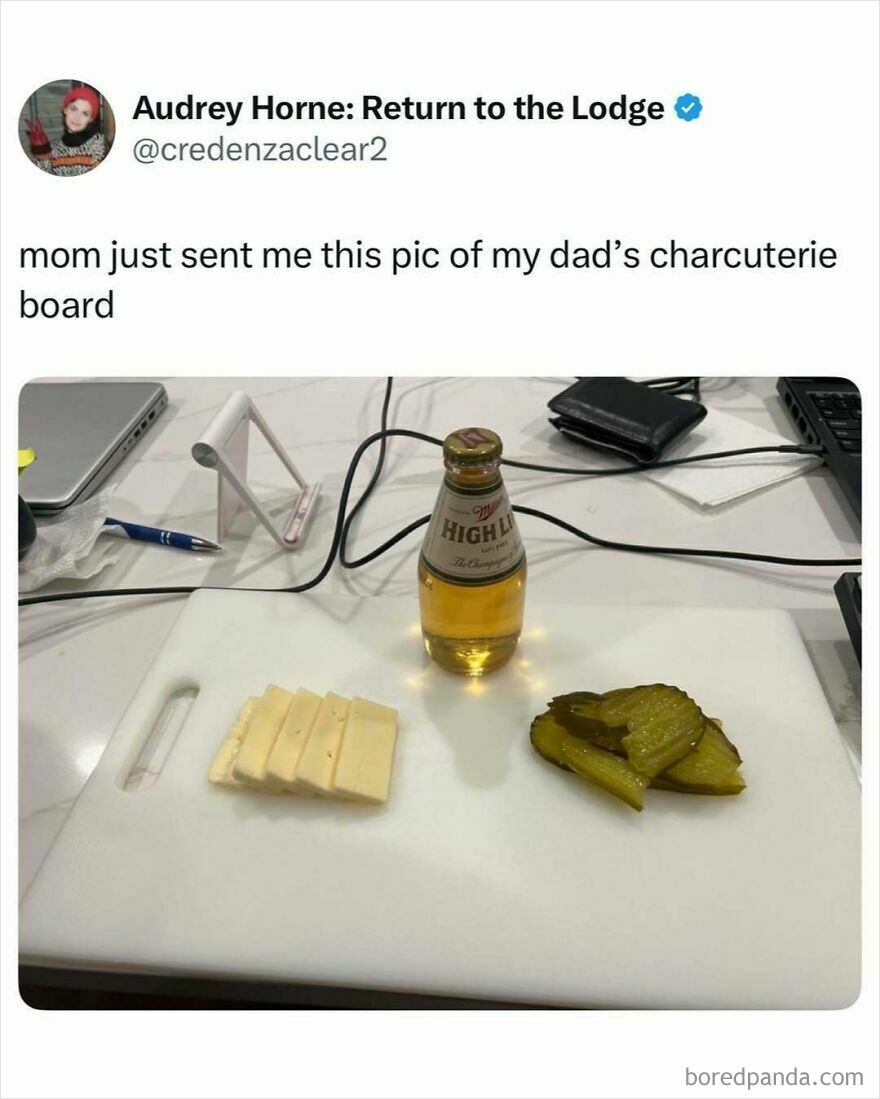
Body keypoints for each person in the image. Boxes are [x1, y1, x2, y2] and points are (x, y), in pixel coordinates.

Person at [25, 86, 106, 176]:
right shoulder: (54, 149)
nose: (77, 117)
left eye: (85, 113)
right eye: (74, 109)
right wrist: (42, 154)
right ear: (65, 110)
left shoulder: (101, 147)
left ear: (90, 119)